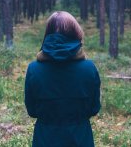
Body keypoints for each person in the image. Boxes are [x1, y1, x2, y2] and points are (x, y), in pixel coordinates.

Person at [24, 11, 101, 147]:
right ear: (76, 33)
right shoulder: (89, 68)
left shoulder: (34, 69)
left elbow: (32, 111)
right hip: (80, 139)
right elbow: (94, 109)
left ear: (47, 34)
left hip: (45, 139)